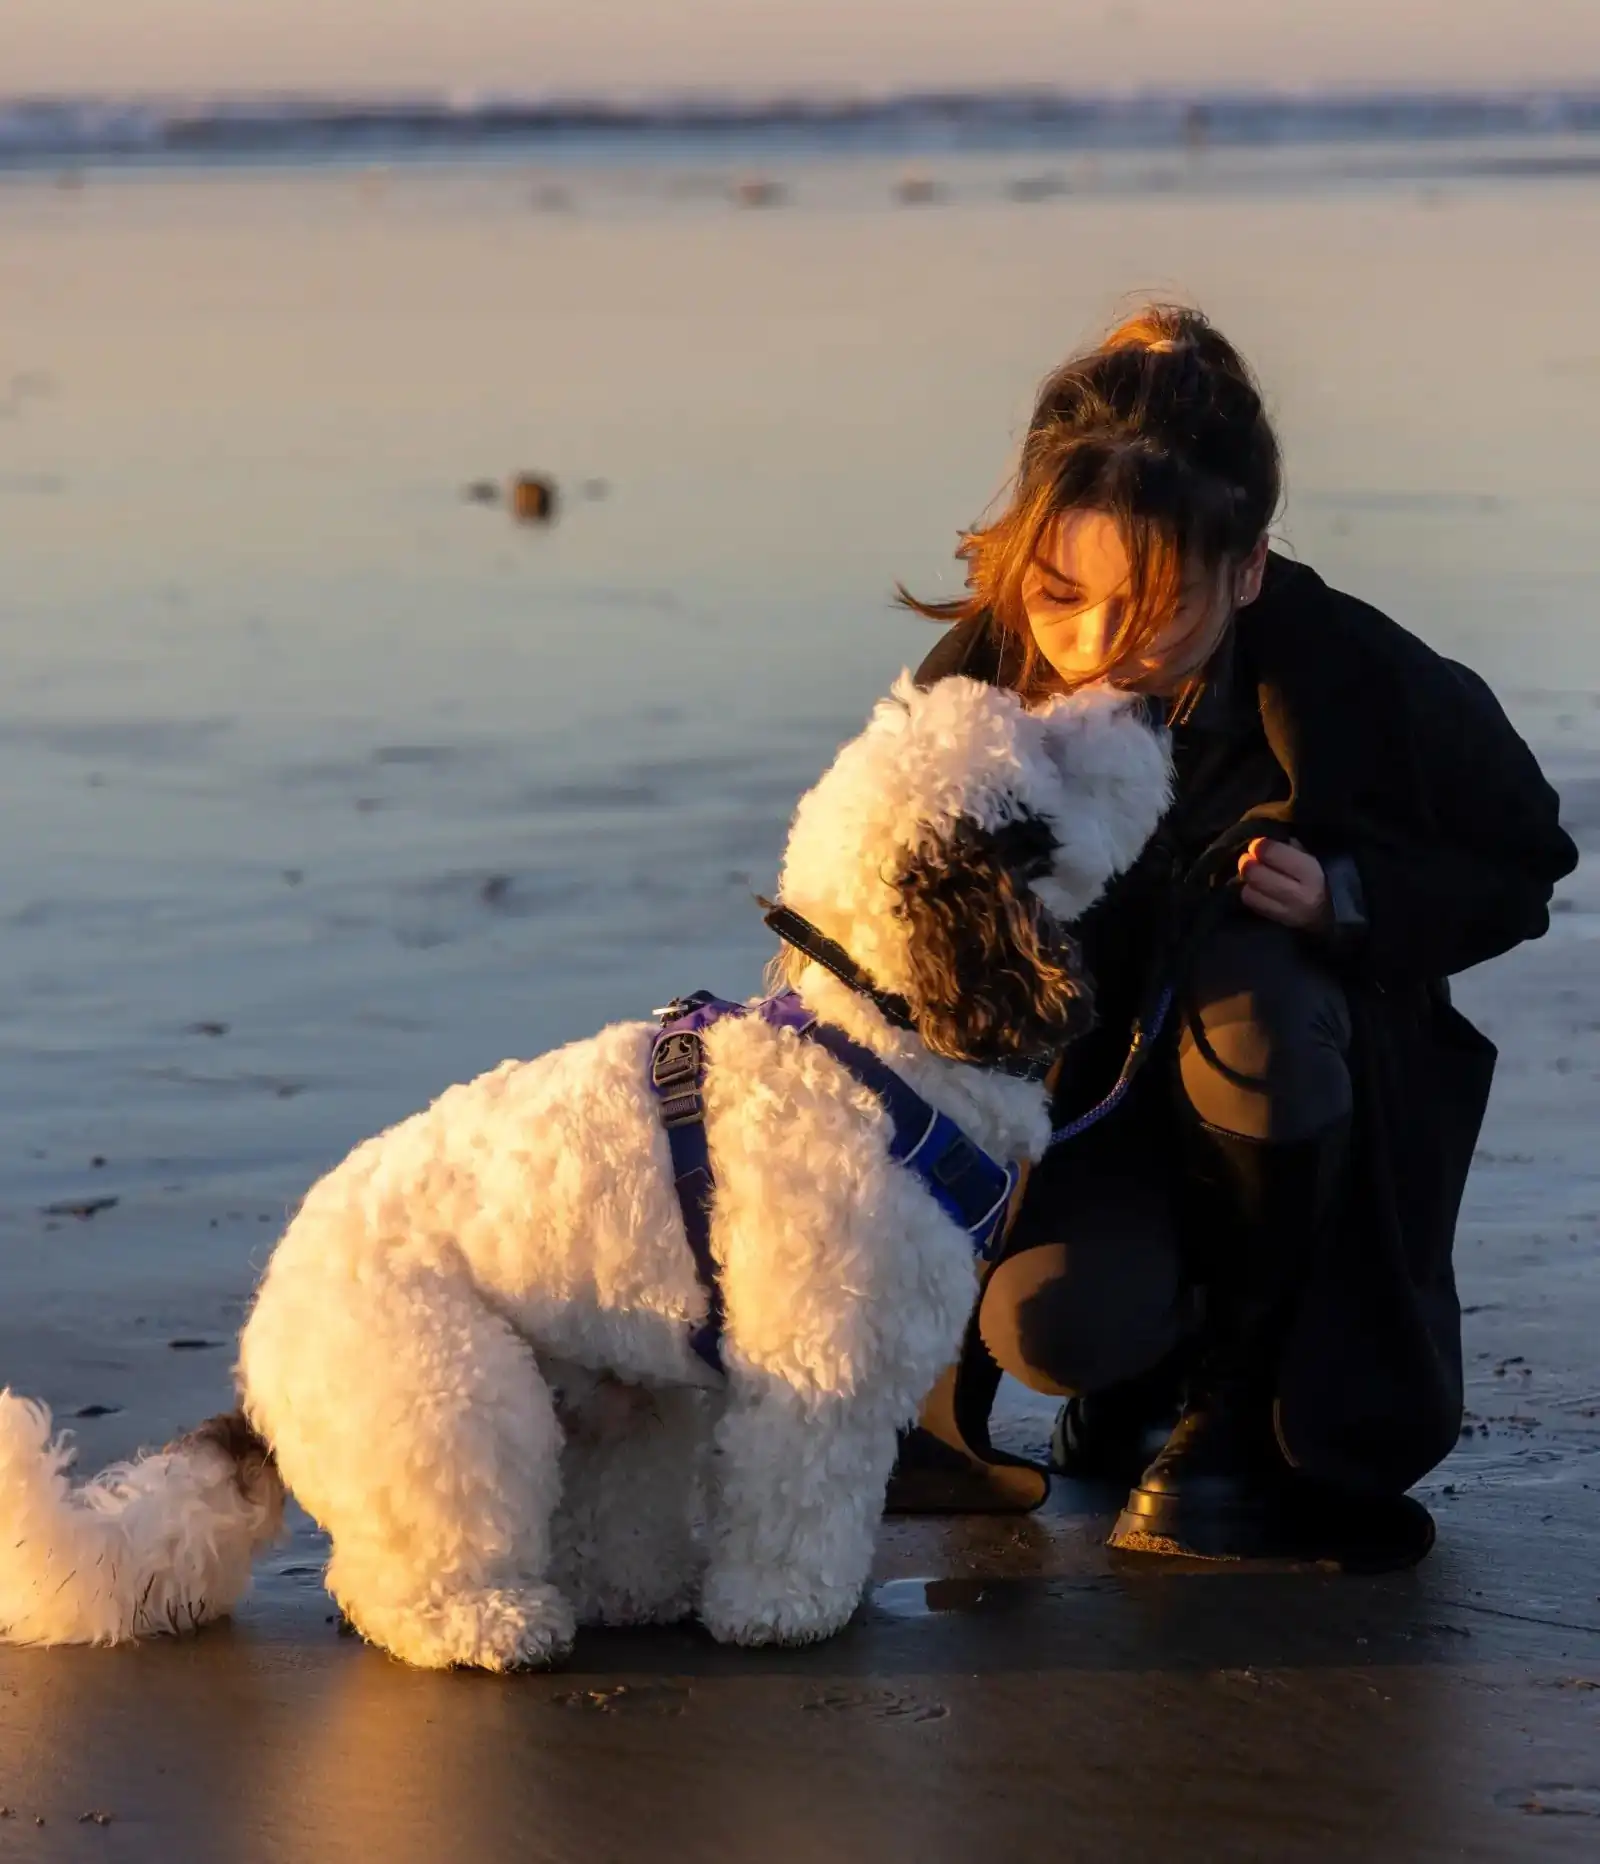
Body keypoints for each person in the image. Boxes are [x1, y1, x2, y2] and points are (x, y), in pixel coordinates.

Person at [885, 303, 1577, 1566]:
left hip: (1298, 1090)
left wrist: (1350, 901)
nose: (1098, 648)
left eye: (1155, 605)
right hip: (1088, 1108)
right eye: (1060, 595)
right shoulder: (973, 685)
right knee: (1051, 1331)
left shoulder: (1359, 675)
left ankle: (1235, 1411)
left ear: (1246, 568)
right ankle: (1133, 1377)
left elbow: (1524, 858)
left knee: (1256, 991)